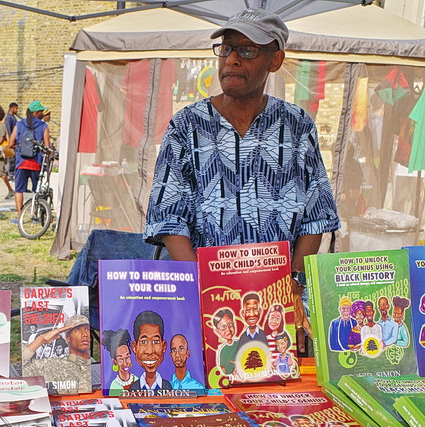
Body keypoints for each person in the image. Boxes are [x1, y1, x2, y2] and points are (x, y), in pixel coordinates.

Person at [144, 7, 339, 306]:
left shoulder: (297, 126)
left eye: (247, 51)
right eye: (226, 49)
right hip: (205, 297)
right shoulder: (186, 126)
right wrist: (199, 288)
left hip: (280, 298)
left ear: (275, 60)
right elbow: (169, 219)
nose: (232, 59)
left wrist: (294, 285)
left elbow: (315, 218)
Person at [22, 315, 92, 394]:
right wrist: (42, 339)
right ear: (68, 338)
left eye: (87, 329)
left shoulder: (103, 367)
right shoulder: (51, 365)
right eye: (78, 330)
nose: (85, 334)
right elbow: (21, 370)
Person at [8, 101, 51, 222]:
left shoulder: (19, 124)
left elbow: (11, 143)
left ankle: (19, 215)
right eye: (41, 111)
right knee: (37, 191)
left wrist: (21, 148)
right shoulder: (44, 127)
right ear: (36, 112)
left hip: (21, 163)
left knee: (19, 189)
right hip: (36, 163)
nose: (42, 113)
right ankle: (34, 215)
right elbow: (47, 148)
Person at [129, 311, 172, 391]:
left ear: (164, 346)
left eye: (155, 341)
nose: (149, 351)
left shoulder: (170, 388)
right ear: (134, 347)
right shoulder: (132, 390)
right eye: (143, 342)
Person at [102, 328, 138, 395]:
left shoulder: (137, 381)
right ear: (114, 361)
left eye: (127, 357)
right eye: (120, 360)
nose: (125, 363)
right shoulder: (113, 386)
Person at [212, 308, 237, 375]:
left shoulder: (240, 343)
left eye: (230, 324)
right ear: (218, 331)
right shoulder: (222, 350)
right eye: (223, 327)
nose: (228, 330)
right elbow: (223, 370)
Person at [4, 102, 20, 181]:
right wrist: (11, 140)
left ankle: (12, 173)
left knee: (14, 159)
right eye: (16, 108)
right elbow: (9, 130)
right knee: (11, 159)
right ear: (11, 108)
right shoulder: (9, 118)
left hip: (15, 141)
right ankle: (10, 175)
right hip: (11, 141)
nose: (17, 110)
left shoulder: (13, 117)